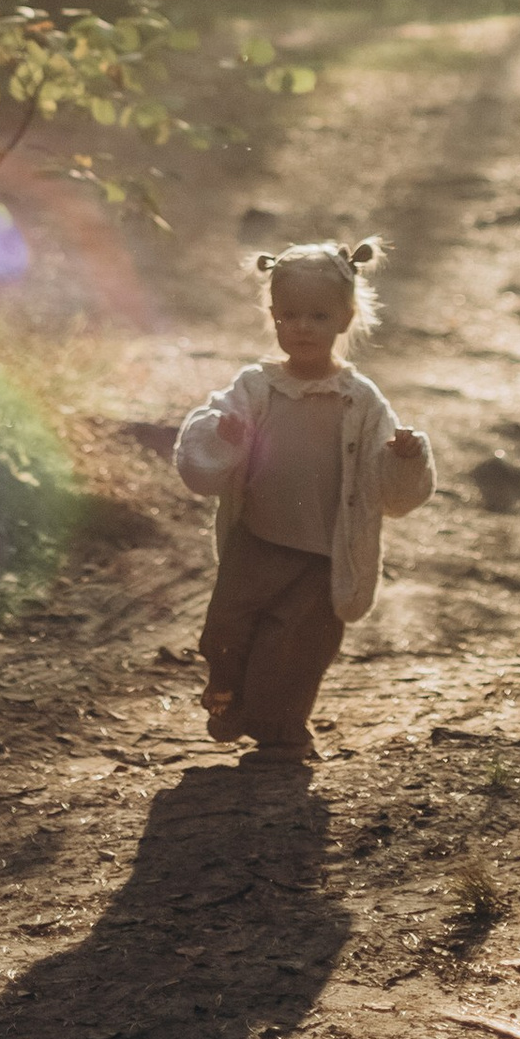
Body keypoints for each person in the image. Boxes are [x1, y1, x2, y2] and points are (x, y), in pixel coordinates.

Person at [173, 239, 436, 759]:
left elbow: (388, 490)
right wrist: (224, 434)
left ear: (346, 317)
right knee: (226, 629)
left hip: (322, 552)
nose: (303, 327)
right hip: (258, 539)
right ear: (272, 317)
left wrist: (404, 456)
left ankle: (282, 732)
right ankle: (229, 694)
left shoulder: (359, 399)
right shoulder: (256, 387)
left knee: (296, 647)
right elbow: (202, 436)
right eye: (290, 315)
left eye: (319, 315)